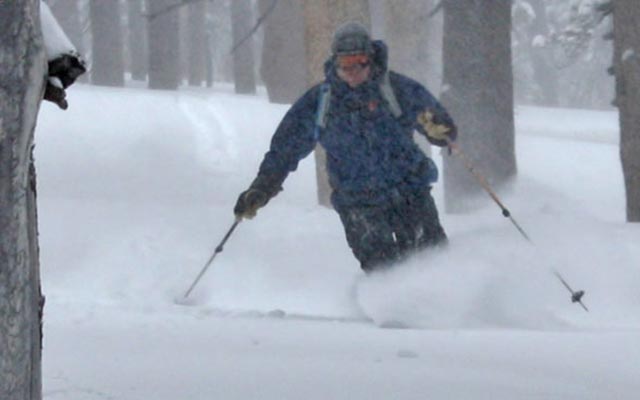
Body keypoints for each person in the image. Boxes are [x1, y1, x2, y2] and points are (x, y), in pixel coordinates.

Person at [234, 22, 457, 272]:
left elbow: (438, 124)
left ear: (370, 60)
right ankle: (392, 308)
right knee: (382, 268)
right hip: (357, 202)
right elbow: (285, 149)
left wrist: (441, 130)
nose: (351, 71)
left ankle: (444, 306)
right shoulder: (320, 102)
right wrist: (262, 187)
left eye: (358, 61)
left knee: (430, 259)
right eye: (344, 64)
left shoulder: (397, 89)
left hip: (409, 193)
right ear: (335, 63)